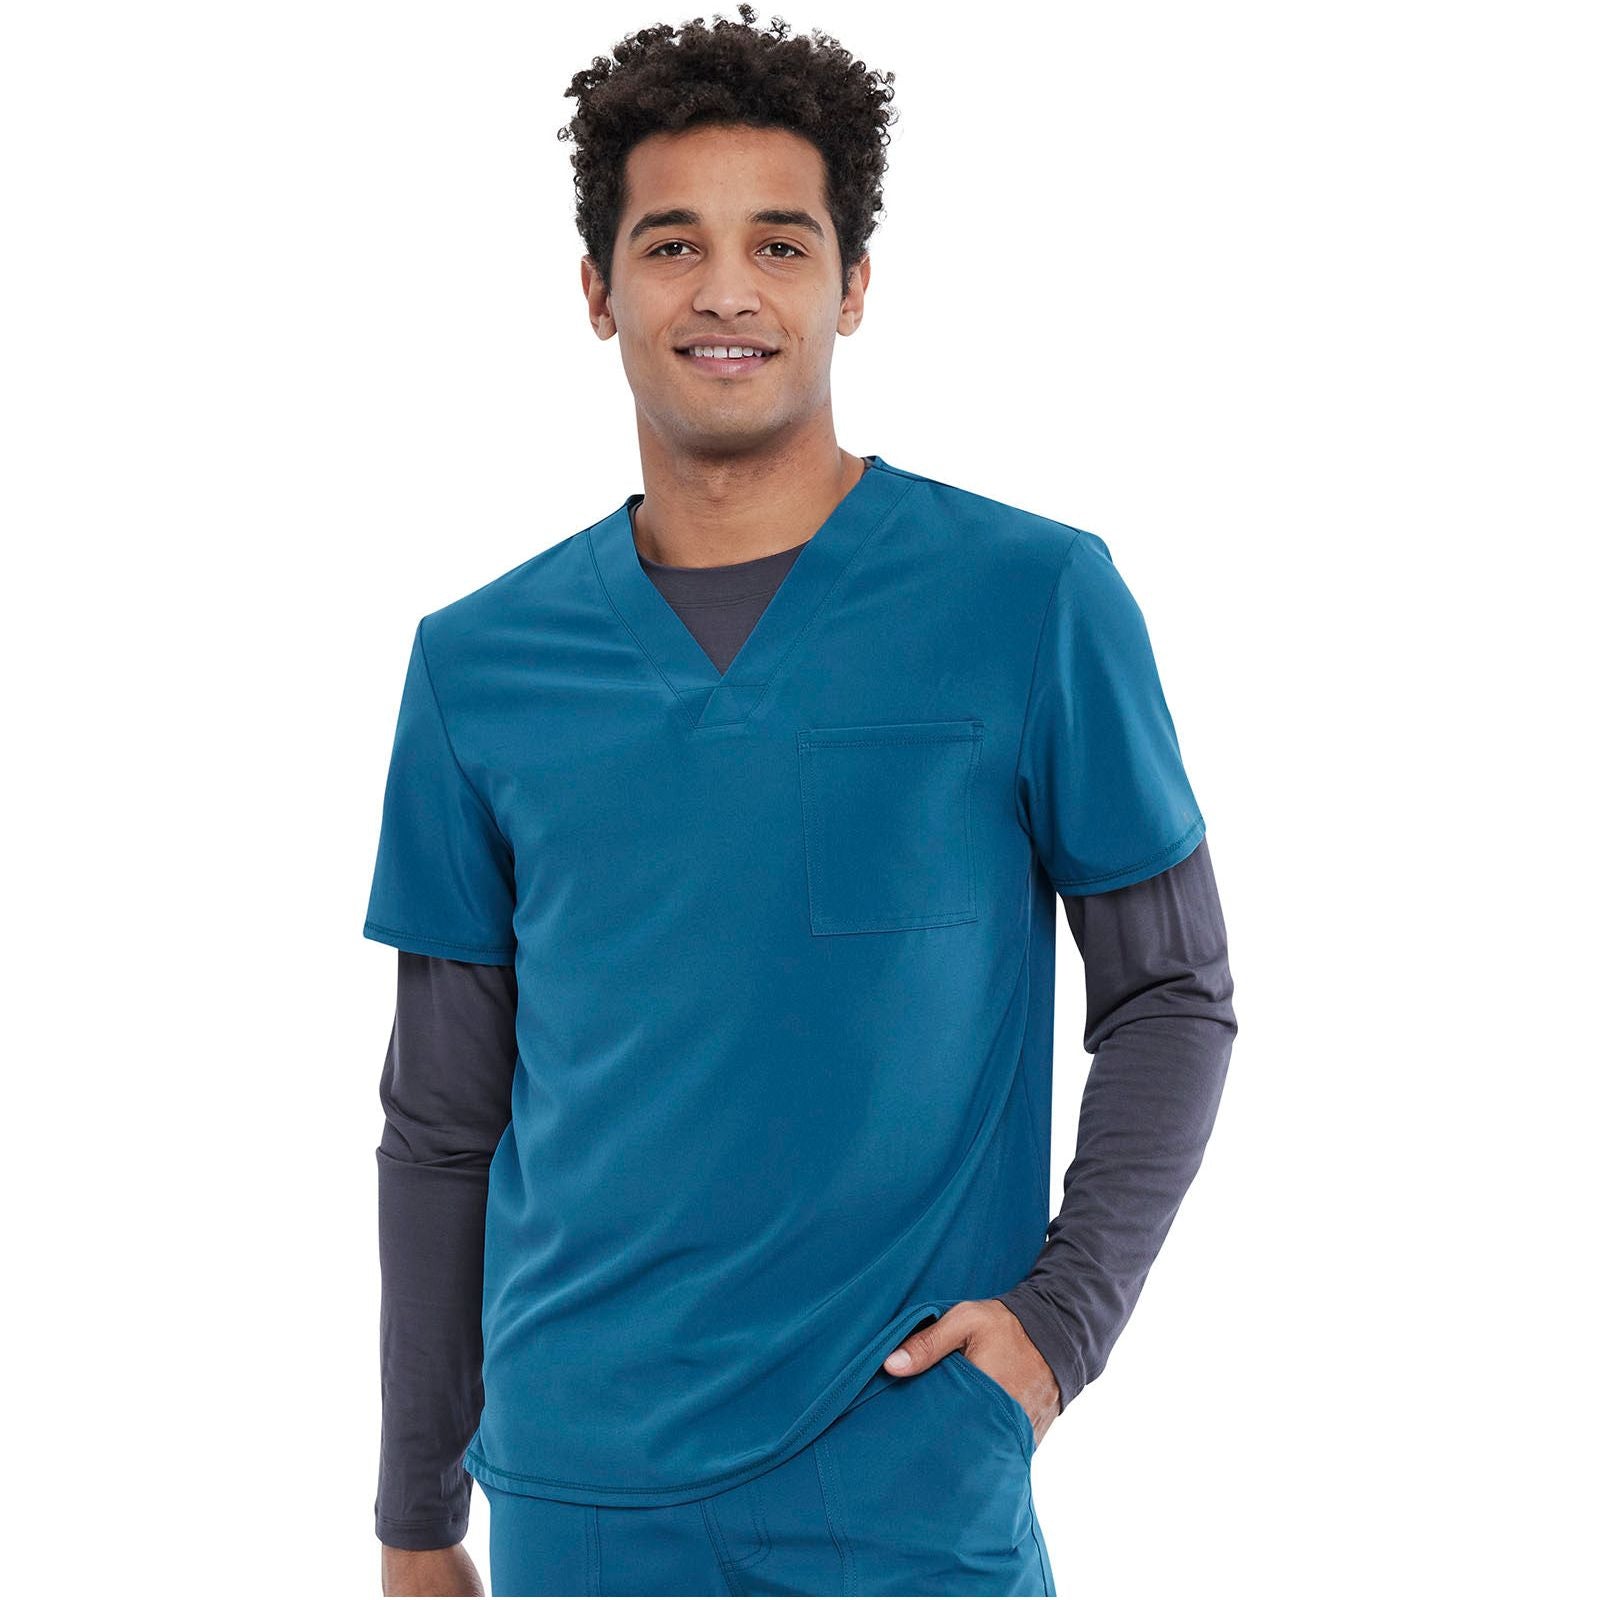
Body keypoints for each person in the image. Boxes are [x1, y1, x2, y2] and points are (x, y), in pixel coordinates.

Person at [364, 8, 1237, 1595]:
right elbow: (440, 1123)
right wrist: (418, 1518)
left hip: (906, 1473)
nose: (726, 291)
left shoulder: (1034, 599)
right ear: (596, 291)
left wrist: (1056, 1334)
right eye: (671, 244)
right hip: (575, 1494)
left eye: (779, 242)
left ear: (853, 285)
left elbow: (1173, 993)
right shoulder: (477, 665)